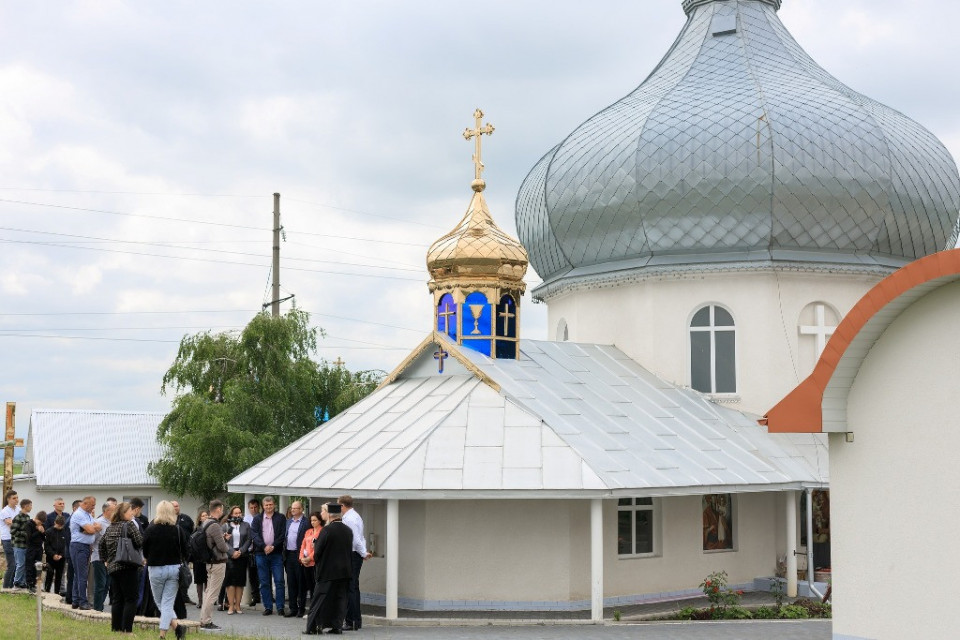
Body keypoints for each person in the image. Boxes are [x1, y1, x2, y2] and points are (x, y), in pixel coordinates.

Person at [304, 503, 353, 635]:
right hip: (345, 571)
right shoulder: (348, 530)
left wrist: (316, 550)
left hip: (327, 571)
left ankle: (313, 627)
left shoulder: (327, 530)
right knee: (340, 599)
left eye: (323, 511)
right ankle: (337, 626)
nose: (321, 514)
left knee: (319, 599)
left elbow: (318, 552)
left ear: (330, 515)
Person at [142, 501, 187, 640]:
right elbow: (185, 550)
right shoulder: (178, 530)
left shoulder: (150, 529)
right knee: (166, 602)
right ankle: (177, 627)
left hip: (155, 568)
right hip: (174, 569)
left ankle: (163, 635)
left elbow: (145, 551)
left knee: (160, 602)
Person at [99, 502, 144, 634]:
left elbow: (101, 544)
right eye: (130, 511)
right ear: (123, 513)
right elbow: (140, 541)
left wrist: (105, 560)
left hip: (113, 567)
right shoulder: (129, 525)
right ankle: (127, 630)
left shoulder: (111, 526)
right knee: (131, 599)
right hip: (127, 565)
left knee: (117, 599)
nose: (132, 513)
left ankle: (116, 628)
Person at [339, 495, 372, 631]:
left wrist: (363, 552)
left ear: (342, 506)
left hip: (352, 554)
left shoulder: (350, 519)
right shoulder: (355, 516)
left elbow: (355, 539)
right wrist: (363, 551)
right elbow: (361, 538)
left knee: (350, 588)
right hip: (355, 554)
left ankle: (351, 621)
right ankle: (355, 621)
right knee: (354, 588)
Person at [250, 496, 286, 616]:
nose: (269, 507)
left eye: (270, 504)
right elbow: (254, 535)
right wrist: (264, 546)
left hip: (276, 553)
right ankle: (268, 607)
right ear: (263, 506)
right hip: (261, 553)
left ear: (274, 505)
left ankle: (280, 607)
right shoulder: (257, 519)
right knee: (264, 582)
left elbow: (282, 535)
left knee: (279, 581)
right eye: (266, 505)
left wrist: (273, 546)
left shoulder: (280, 518)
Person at [199, 500, 230, 630]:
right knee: (213, 594)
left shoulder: (205, 523)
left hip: (210, 562)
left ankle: (203, 619)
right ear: (218, 510)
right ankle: (206, 621)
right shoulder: (215, 525)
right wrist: (225, 541)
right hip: (217, 563)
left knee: (208, 592)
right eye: (221, 509)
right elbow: (222, 547)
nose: (222, 512)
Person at [70, 496, 101, 610]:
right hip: (79, 546)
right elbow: (92, 530)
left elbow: (98, 526)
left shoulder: (87, 515)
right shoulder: (79, 514)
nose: (94, 507)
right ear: (85, 503)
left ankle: (75, 600)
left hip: (85, 546)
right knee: (82, 575)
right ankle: (83, 602)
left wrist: (89, 529)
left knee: (78, 575)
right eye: (92, 505)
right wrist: (90, 530)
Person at [222, 505, 252, 614]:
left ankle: (238, 605)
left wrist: (240, 551)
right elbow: (222, 541)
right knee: (230, 581)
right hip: (229, 555)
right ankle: (230, 606)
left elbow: (249, 540)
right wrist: (231, 552)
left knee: (240, 581)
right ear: (231, 514)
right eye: (236, 513)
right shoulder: (226, 526)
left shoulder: (246, 525)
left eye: (240, 513)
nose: (238, 515)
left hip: (242, 555)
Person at [284, 500, 309, 617]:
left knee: (301, 583)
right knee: (291, 582)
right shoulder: (288, 522)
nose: (293, 510)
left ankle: (301, 608)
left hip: (300, 555)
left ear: (301, 509)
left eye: (295, 508)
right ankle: (292, 608)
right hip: (289, 555)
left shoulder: (306, 522)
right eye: (292, 508)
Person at [91, 500, 117, 611]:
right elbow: (92, 541)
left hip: (111, 559)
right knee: (100, 584)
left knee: (107, 585)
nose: (116, 512)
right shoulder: (98, 523)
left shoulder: (114, 523)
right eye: (113, 510)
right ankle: (97, 609)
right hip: (99, 558)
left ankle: (100, 606)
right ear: (107, 511)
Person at [299, 511, 324, 606]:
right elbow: (303, 546)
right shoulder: (308, 531)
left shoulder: (322, 531)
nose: (313, 522)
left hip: (315, 563)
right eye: (311, 520)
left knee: (315, 587)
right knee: (308, 586)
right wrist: (301, 558)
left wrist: (309, 558)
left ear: (320, 521)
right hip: (305, 563)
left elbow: (319, 548)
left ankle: (315, 608)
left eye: (315, 520)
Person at [9, 497, 32, 588]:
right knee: (20, 564)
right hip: (19, 545)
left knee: (25, 564)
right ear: (25, 506)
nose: (31, 507)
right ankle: (16, 582)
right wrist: (24, 534)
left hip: (26, 545)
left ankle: (23, 582)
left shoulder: (28, 517)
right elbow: (13, 531)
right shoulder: (18, 517)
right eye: (30, 505)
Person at [243, 498, 262, 607]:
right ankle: (255, 597)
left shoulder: (262, 518)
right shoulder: (246, 519)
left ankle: (268, 595)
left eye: (255, 507)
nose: (253, 509)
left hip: (260, 549)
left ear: (258, 507)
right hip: (250, 550)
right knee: (252, 575)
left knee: (264, 575)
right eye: (251, 508)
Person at [63, 499, 81, 603]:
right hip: (72, 552)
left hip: (72, 552)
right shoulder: (71, 520)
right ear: (75, 508)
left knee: (73, 576)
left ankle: (71, 597)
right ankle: (70, 598)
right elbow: (70, 539)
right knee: (72, 576)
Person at [44, 515, 67, 594]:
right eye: (58, 525)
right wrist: (53, 554)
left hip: (61, 558)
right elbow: (46, 546)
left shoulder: (65, 532)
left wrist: (61, 555)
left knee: (59, 576)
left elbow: (66, 545)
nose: (59, 527)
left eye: (61, 526)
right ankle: (47, 590)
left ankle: (57, 592)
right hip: (51, 557)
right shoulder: (49, 532)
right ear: (55, 522)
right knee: (49, 574)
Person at [25, 509, 47, 593]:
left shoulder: (42, 526)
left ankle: (35, 583)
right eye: (40, 522)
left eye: (42, 523)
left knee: (38, 566)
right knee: (30, 566)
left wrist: (43, 532)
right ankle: (29, 584)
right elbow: (29, 538)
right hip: (31, 547)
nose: (40, 524)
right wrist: (38, 531)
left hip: (39, 548)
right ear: (36, 518)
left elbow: (44, 538)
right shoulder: (29, 524)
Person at [1, 490, 19, 589]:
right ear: (8, 499)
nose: (17, 500)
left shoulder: (18, 509)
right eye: (14, 498)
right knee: (11, 564)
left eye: (17, 497)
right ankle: (5, 588)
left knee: (17, 564)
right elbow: (9, 522)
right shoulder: (5, 511)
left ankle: (11, 586)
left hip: (17, 539)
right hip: (8, 539)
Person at [192, 510, 208, 608]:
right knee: (199, 581)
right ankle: (200, 601)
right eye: (203, 515)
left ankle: (206, 600)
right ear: (200, 518)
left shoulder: (211, 527)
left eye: (206, 515)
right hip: (197, 559)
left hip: (207, 558)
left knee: (207, 580)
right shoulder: (196, 530)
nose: (205, 517)